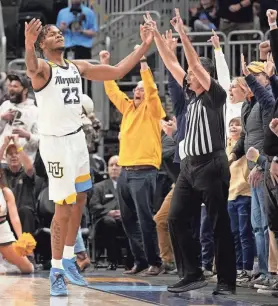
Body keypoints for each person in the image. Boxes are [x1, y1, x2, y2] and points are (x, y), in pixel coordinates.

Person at [24, 18, 153, 296]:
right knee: (64, 207)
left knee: (82, 197)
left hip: (76, 140)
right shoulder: (44, 69)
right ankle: (56, 271)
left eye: (60, 32)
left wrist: (144, 46)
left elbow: (117, 70)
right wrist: (27, 43)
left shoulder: (76, 67)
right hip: (55, 145)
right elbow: (31, 66)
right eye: (51, 34)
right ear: (42, 44)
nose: (58, 35)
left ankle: (69, 257)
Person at [144, 9, 236, 294]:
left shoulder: (214, 93)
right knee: (174, 218)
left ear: (204, 76)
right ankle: (192, 273)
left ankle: (226, 281)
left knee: (219, 224)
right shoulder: (190, 97)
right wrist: (156, 34)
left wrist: (183, 33)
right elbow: (172, 64)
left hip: (212, 164)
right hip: (188, 168)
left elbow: (192, 64)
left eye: (193, 75)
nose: (187, 79)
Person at [100, 47, 166, 276]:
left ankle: (155, 261)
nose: (138, 91)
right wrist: (106, 64)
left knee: (145, 219)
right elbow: (111, 90)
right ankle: (140, 260)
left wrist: (144, 64)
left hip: (144, 171)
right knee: (128, 220)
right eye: (136, 88)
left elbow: (152, 91)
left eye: (141, 89)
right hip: (126, 172)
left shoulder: (153, 110)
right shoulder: (128, 108)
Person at [89, 155, 133, 270]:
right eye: (111, 165)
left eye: (117, 165)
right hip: (104, 221)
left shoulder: (129, 186)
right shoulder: (98, 187)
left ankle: (131, 262)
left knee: (131, 222)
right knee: (109, 222)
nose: (114, 168)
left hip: (124, 219)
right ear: (107, 168)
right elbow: (94, 206)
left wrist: (124, 213)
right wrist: (109, 212)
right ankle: (113, 260)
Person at [226, 117, 253, 286]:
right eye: (231, 125)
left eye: (237, 125)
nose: (234, 127)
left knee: (245, 234)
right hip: (230, 196)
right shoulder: (225, 149)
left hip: (245, 194)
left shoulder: (245, 148)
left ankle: (247, 269)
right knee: (234, 234)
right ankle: (237, 268)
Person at [0, 164, 33, 274]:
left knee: (28, 268)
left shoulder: (6, 192)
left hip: (3, 234)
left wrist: (21, 239)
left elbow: (14, 217)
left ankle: (8, 261)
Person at [0, 73, 39, 162]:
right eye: (10, 86)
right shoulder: (5, 105)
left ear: (25, 91)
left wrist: (27, 135)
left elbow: (41, 141)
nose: (11, 89)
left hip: (23, 163)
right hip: (2, 161)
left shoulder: (35, 111)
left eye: (15, 86)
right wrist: (2, 117)